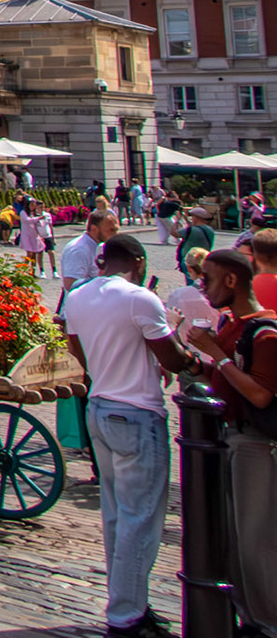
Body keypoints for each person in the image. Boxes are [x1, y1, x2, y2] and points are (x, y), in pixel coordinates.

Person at [61, 234, 187, 638]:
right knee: (141, 517)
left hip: (100, 406)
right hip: (137, 411)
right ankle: (126, 614)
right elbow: (174, 358)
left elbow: (76, 351)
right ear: (139, 260)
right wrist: (189, 349)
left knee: (116, 514)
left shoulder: (77, 297)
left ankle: (130, 601)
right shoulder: (139, 299)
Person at [183, 247, 277, 637]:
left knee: (256, 540)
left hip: (256, 441)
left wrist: (215, 355)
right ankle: (250, 616)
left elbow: (259, 394)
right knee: (236, 541)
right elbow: (224, 373)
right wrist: (192, 358)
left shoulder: (266, 331)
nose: (202, 286)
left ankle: (268, 622)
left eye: (208, 278)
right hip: (230, 438)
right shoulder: (232, 323)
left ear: (232, 281)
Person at [163, 248, 222, 337]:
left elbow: (169, 320)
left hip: (186, 344)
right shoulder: (222, 292)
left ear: (189, 268)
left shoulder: (178, 294)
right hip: (216, 344)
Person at [178, 206, 217, 276]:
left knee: (191, 281)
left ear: (196, 217)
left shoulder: (192, 230)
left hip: (190, 259)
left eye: (192, 216)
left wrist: (177, 221)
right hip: (203, 258)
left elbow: (174, 233)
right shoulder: (209, 230)